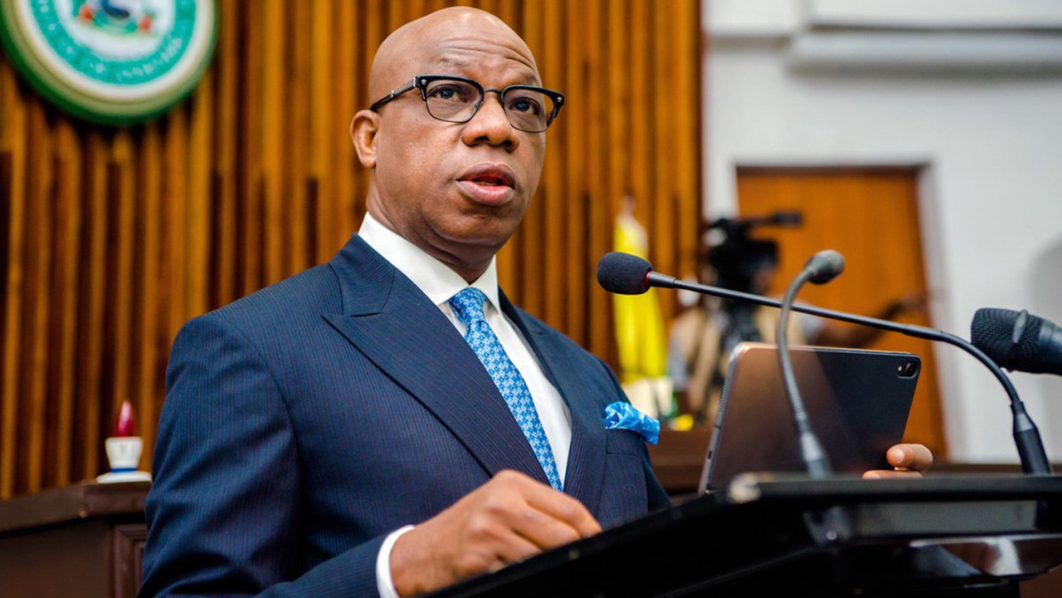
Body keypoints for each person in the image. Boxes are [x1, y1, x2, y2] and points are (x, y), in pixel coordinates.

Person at [140, 8, 932, 597]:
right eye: (451, 93)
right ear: (369, 138)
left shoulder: (583, 374)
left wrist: (833, 532)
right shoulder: (255, 348)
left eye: (524, 105)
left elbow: (666, 576)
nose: (497, 128)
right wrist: (397, 570)